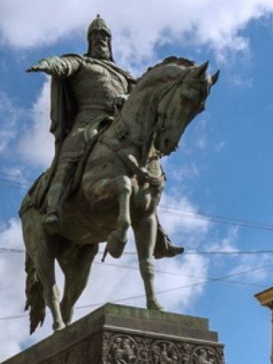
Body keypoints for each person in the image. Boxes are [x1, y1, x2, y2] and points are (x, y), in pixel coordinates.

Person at [27, 15, 182, 258]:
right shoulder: (82, 63)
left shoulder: (123, 73)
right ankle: (54, 209)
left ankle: (157, 233)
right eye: (96, 36)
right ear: (89, 40)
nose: (101, 40)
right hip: (87, 121)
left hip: (119, 124)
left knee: (149, 167)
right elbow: (64, 66)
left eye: (105, 36)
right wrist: (50, 64)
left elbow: (141, 95)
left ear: (110, 41)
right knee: (70, 153)